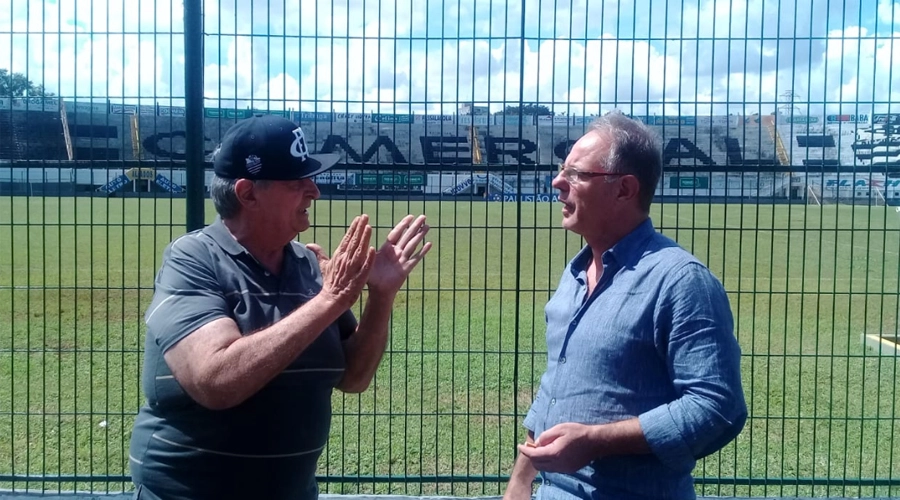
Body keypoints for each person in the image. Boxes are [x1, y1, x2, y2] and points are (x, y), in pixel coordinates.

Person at [128, 114, 432, 500]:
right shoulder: (193, 258)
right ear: (247, 193)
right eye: (296, 182)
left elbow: (353, 378)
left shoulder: (308, 265)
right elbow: (215, 380)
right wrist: (330, 300)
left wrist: (381, 296)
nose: (314, 191)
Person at [504, 111, 747, 500]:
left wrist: (597, 441)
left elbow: (718, 408)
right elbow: (554, 388)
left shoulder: (681, 280)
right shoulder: (576, 273)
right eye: (562, 169)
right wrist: (520, 482)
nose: (558, 183)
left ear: (624, 189)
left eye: (577, 174)